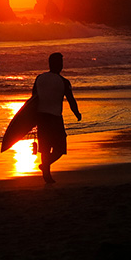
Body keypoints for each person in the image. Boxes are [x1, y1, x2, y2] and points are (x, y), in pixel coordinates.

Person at [32, 52, 81, 183]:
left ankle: (46, 173)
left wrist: (31, 119)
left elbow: (33, 99)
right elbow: (71, 99)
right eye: (60, 63)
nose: (61, 65)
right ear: (57, 64)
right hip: (55, 118)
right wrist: (77, 113)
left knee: (45, 148)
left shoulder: (39, 78)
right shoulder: (63, 82)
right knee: (59, 148)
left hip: (41, 117)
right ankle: (45, 167)